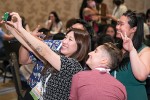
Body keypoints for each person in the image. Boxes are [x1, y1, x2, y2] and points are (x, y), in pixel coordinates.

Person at [4, 12, 91, 100]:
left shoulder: (73, 65)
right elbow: (29, 46)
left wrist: (21, 28)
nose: (64, 42)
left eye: (70, 39)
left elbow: (44, 51)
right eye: (65, 37)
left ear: (80, 46)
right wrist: (12, 29)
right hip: (37, 95)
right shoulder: (58, 56)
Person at [111, 10, 150, 100]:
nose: (117, 27)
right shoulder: (115, 47)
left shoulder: (145, 51)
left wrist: (132, 50)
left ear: (133, 29)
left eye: (121, 24)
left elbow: (141, 76)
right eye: (117, 23)